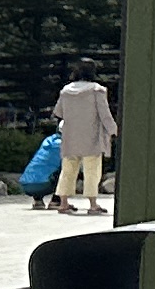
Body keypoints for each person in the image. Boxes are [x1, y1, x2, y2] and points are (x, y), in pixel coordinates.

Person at [50, 71, 118, 215]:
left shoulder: (66, 91)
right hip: (91, 136)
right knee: (92, 170)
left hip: (70, 136)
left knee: (67, 170)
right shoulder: (97, 90)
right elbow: (104, 114)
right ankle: (93, 205)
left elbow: (59, 112)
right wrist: (114, 130)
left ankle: (63, 203)